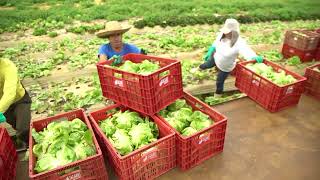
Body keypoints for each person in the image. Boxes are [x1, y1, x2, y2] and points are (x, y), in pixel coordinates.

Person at [199, 18, 263, 98]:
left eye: (228, 32)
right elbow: (215, 43)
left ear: (234, 32)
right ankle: (199, 69)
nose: (225, 34)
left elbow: (246, 50)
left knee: (219, 81)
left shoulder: (239, 42)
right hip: (216, 58)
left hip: (225, 67)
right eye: (225, 32)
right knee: (206, 65)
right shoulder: (222, 35)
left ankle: (217, 96)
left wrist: (254, 57)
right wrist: (211, 50)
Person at [0, 58, 32, 152]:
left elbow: (10, 93)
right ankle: (27, 142)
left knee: (23, 128)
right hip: (3, 104)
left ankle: (31, 144)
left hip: (19, 100)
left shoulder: (7, 66)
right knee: (14, 124)